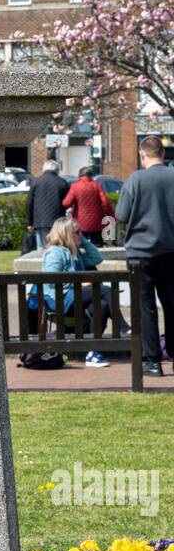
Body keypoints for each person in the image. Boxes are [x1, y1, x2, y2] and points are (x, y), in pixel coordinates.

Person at [115, 135, 174, 377]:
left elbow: (121, 214)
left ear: (142, 154)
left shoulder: (135, 180)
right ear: (163, 153)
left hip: (140, 253)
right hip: (171, 251)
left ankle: (153, 361)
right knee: (172, 305)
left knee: (145, 307)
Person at [41, 218, 111, 367]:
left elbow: (97, 258)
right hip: (60, 300)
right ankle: (125, 327)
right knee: (103, 290)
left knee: (102, 305)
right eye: (77, 232)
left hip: (75, 297)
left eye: (82, 232)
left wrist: (83, 240)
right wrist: (79, 283)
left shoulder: (76, 253)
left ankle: (93, 352)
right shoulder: (55, 253)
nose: (81, 234)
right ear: (66, 233)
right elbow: (51, 280)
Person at [62, 167, 114, 246]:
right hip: (96, 221)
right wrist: (111, 215)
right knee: (97, 245)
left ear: (80, 175)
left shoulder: (75, 186)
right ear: (91, 175)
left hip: (80, 221)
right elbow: (106, 203)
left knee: (80, 245)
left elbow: (66, 203)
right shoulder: (97, 185)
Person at [25, 159, 69, 248]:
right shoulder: (62, 182)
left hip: (40, 221)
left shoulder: (35, 182)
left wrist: (29, 222)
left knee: (42, 248)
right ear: (56, 170)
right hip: (58, 221)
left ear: (43, 170)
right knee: (58, 246)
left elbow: (30, 203)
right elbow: (67, 203)